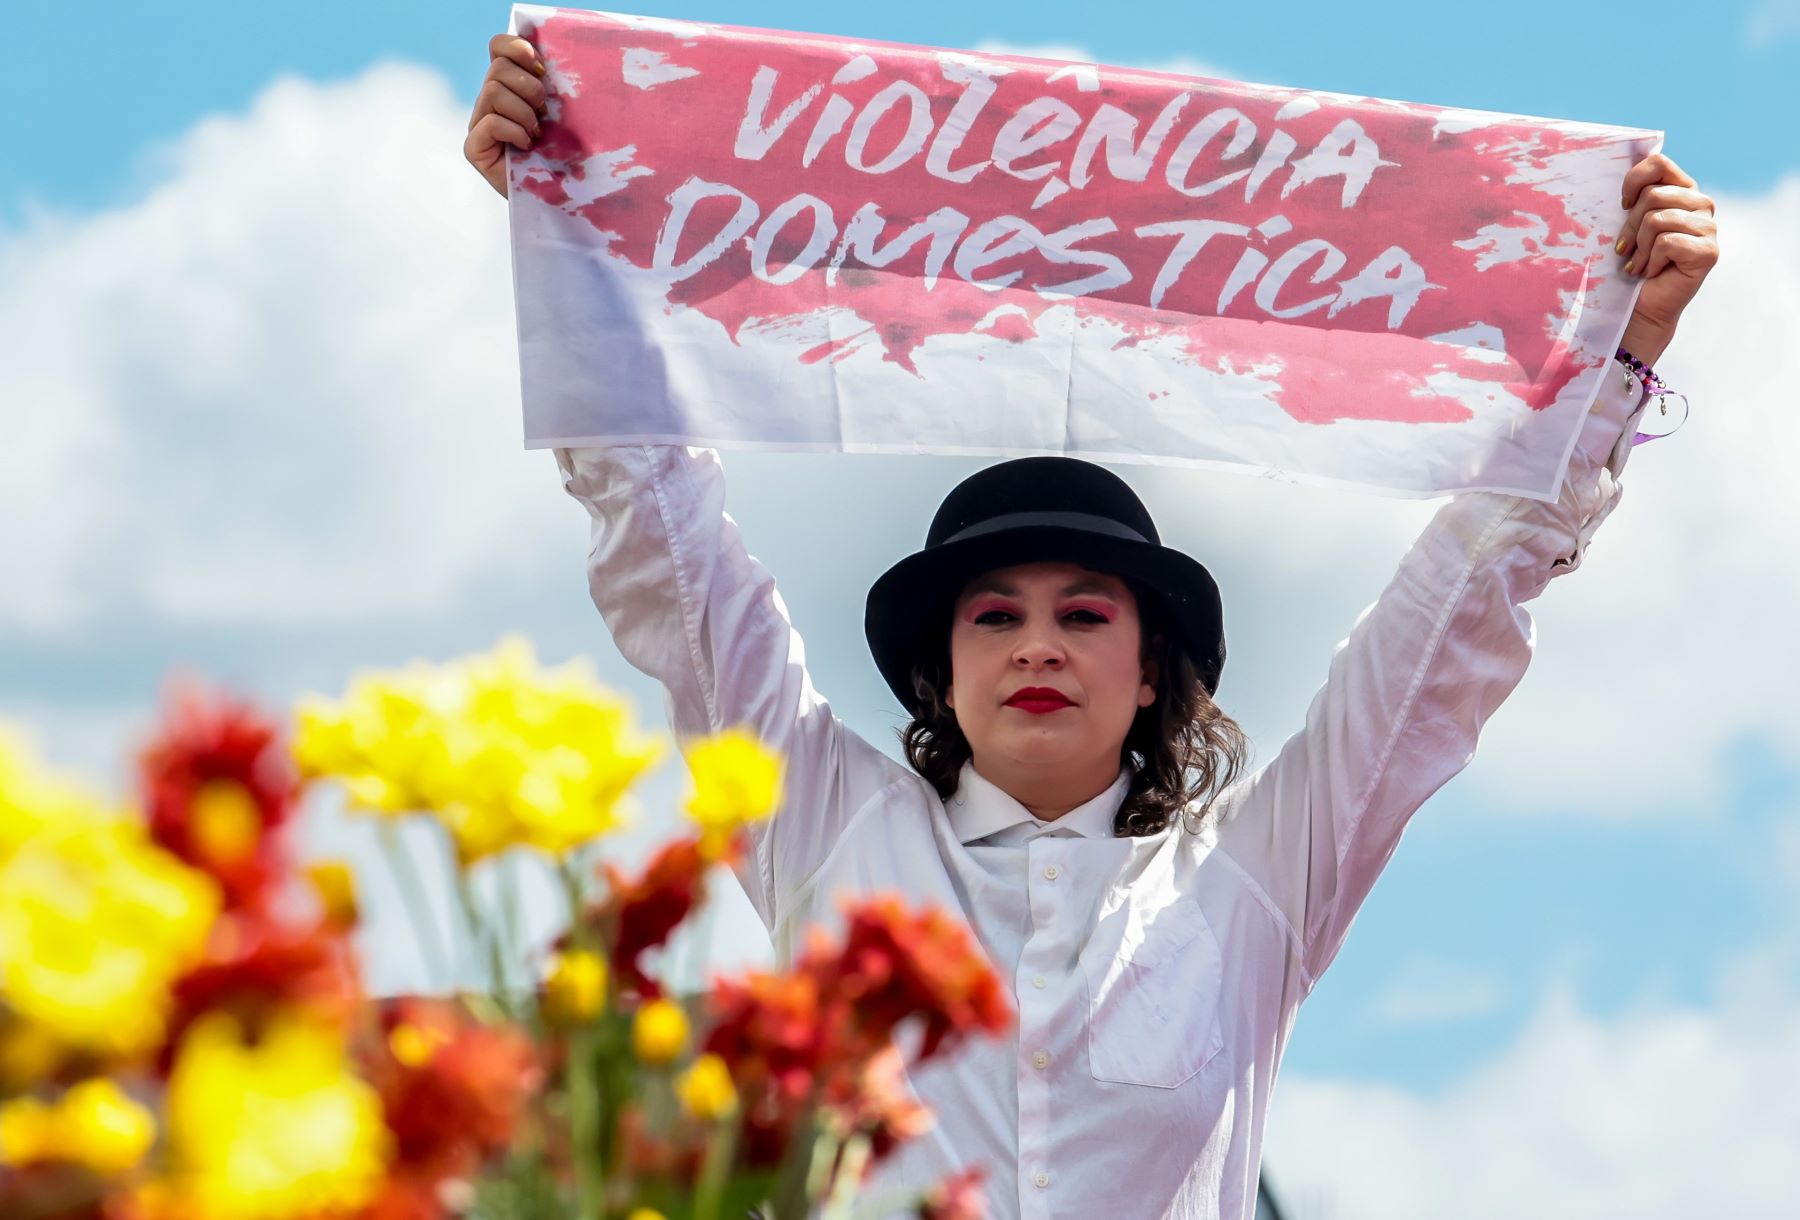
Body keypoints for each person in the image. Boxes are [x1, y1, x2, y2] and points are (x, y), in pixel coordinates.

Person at [466, 32, 1720, 1220]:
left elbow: (1442, 633)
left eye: (1083, 612)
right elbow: (675, 563)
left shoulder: (1254, 880)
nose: (1037, 644)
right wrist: (561, 224)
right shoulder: (826, 828)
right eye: (994, 614)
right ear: (936, 673)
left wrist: (1617, 352)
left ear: (1150, 667)